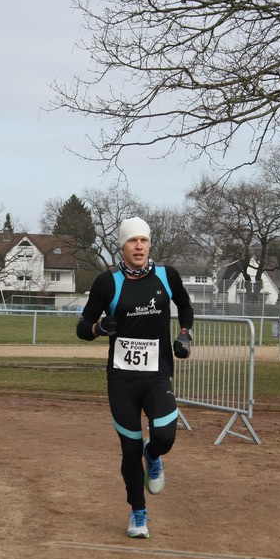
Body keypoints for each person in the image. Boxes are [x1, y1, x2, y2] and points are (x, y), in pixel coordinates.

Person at [76, 216, 194, 539]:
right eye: (132, 240)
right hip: (122, 380)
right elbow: (82, 327)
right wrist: (99, 328)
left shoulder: (167, 276)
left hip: (157, 375)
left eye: (143, 240)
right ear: (123, 246)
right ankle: (138, 512)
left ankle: (152, 454)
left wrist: (184, 334)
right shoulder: (107, 282)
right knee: (129, 450)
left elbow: (185, 306)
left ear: (149, 244)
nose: (139, 246)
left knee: (165, 437)